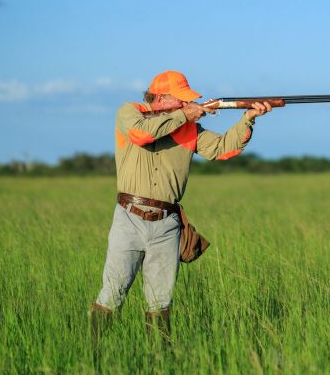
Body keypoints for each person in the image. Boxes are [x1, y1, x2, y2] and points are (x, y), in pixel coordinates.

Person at [89, 70, 272, 345]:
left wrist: (248, 119)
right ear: (161, 98)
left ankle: (160, 358)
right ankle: (93, 353)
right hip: (129, 218)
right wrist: (185, 115)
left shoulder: (189, 128)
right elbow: (141, 134)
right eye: (181, 99)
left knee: (161, 302)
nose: (187, 104)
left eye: (188, 100)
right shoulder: (130, 112)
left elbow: (222, 149)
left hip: (167, 223)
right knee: (112, 294)